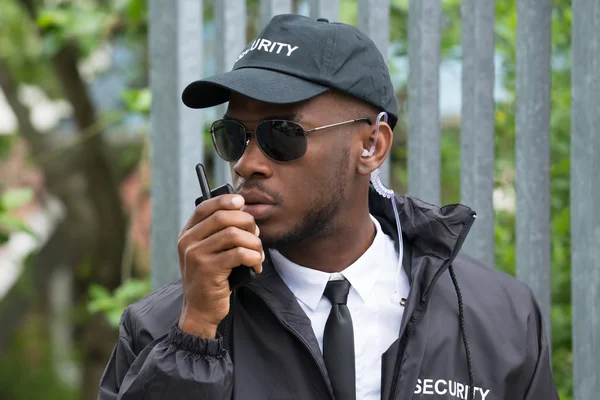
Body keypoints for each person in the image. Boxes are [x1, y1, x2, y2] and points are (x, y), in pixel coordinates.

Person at [98, 14, 559, 400]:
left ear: (372, 146)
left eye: (282, 134)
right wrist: (195, 334)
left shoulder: (497, 317)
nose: (248, 163)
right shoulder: (162, 327)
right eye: (234, 137)